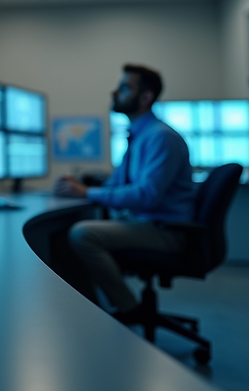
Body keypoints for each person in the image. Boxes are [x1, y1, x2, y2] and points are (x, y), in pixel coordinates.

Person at [55, 64, 194, 323]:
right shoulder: (139, 136)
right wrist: (81, 186)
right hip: (146, 224)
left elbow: (146, 196)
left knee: (83, 234)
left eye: (124, 88)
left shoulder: (161, 137)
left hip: (166, 230)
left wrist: (86, 192)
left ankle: (128, 310)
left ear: (145, 97)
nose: (114, 92)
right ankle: (98, 313)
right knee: (67, 235)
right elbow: (117, 183)